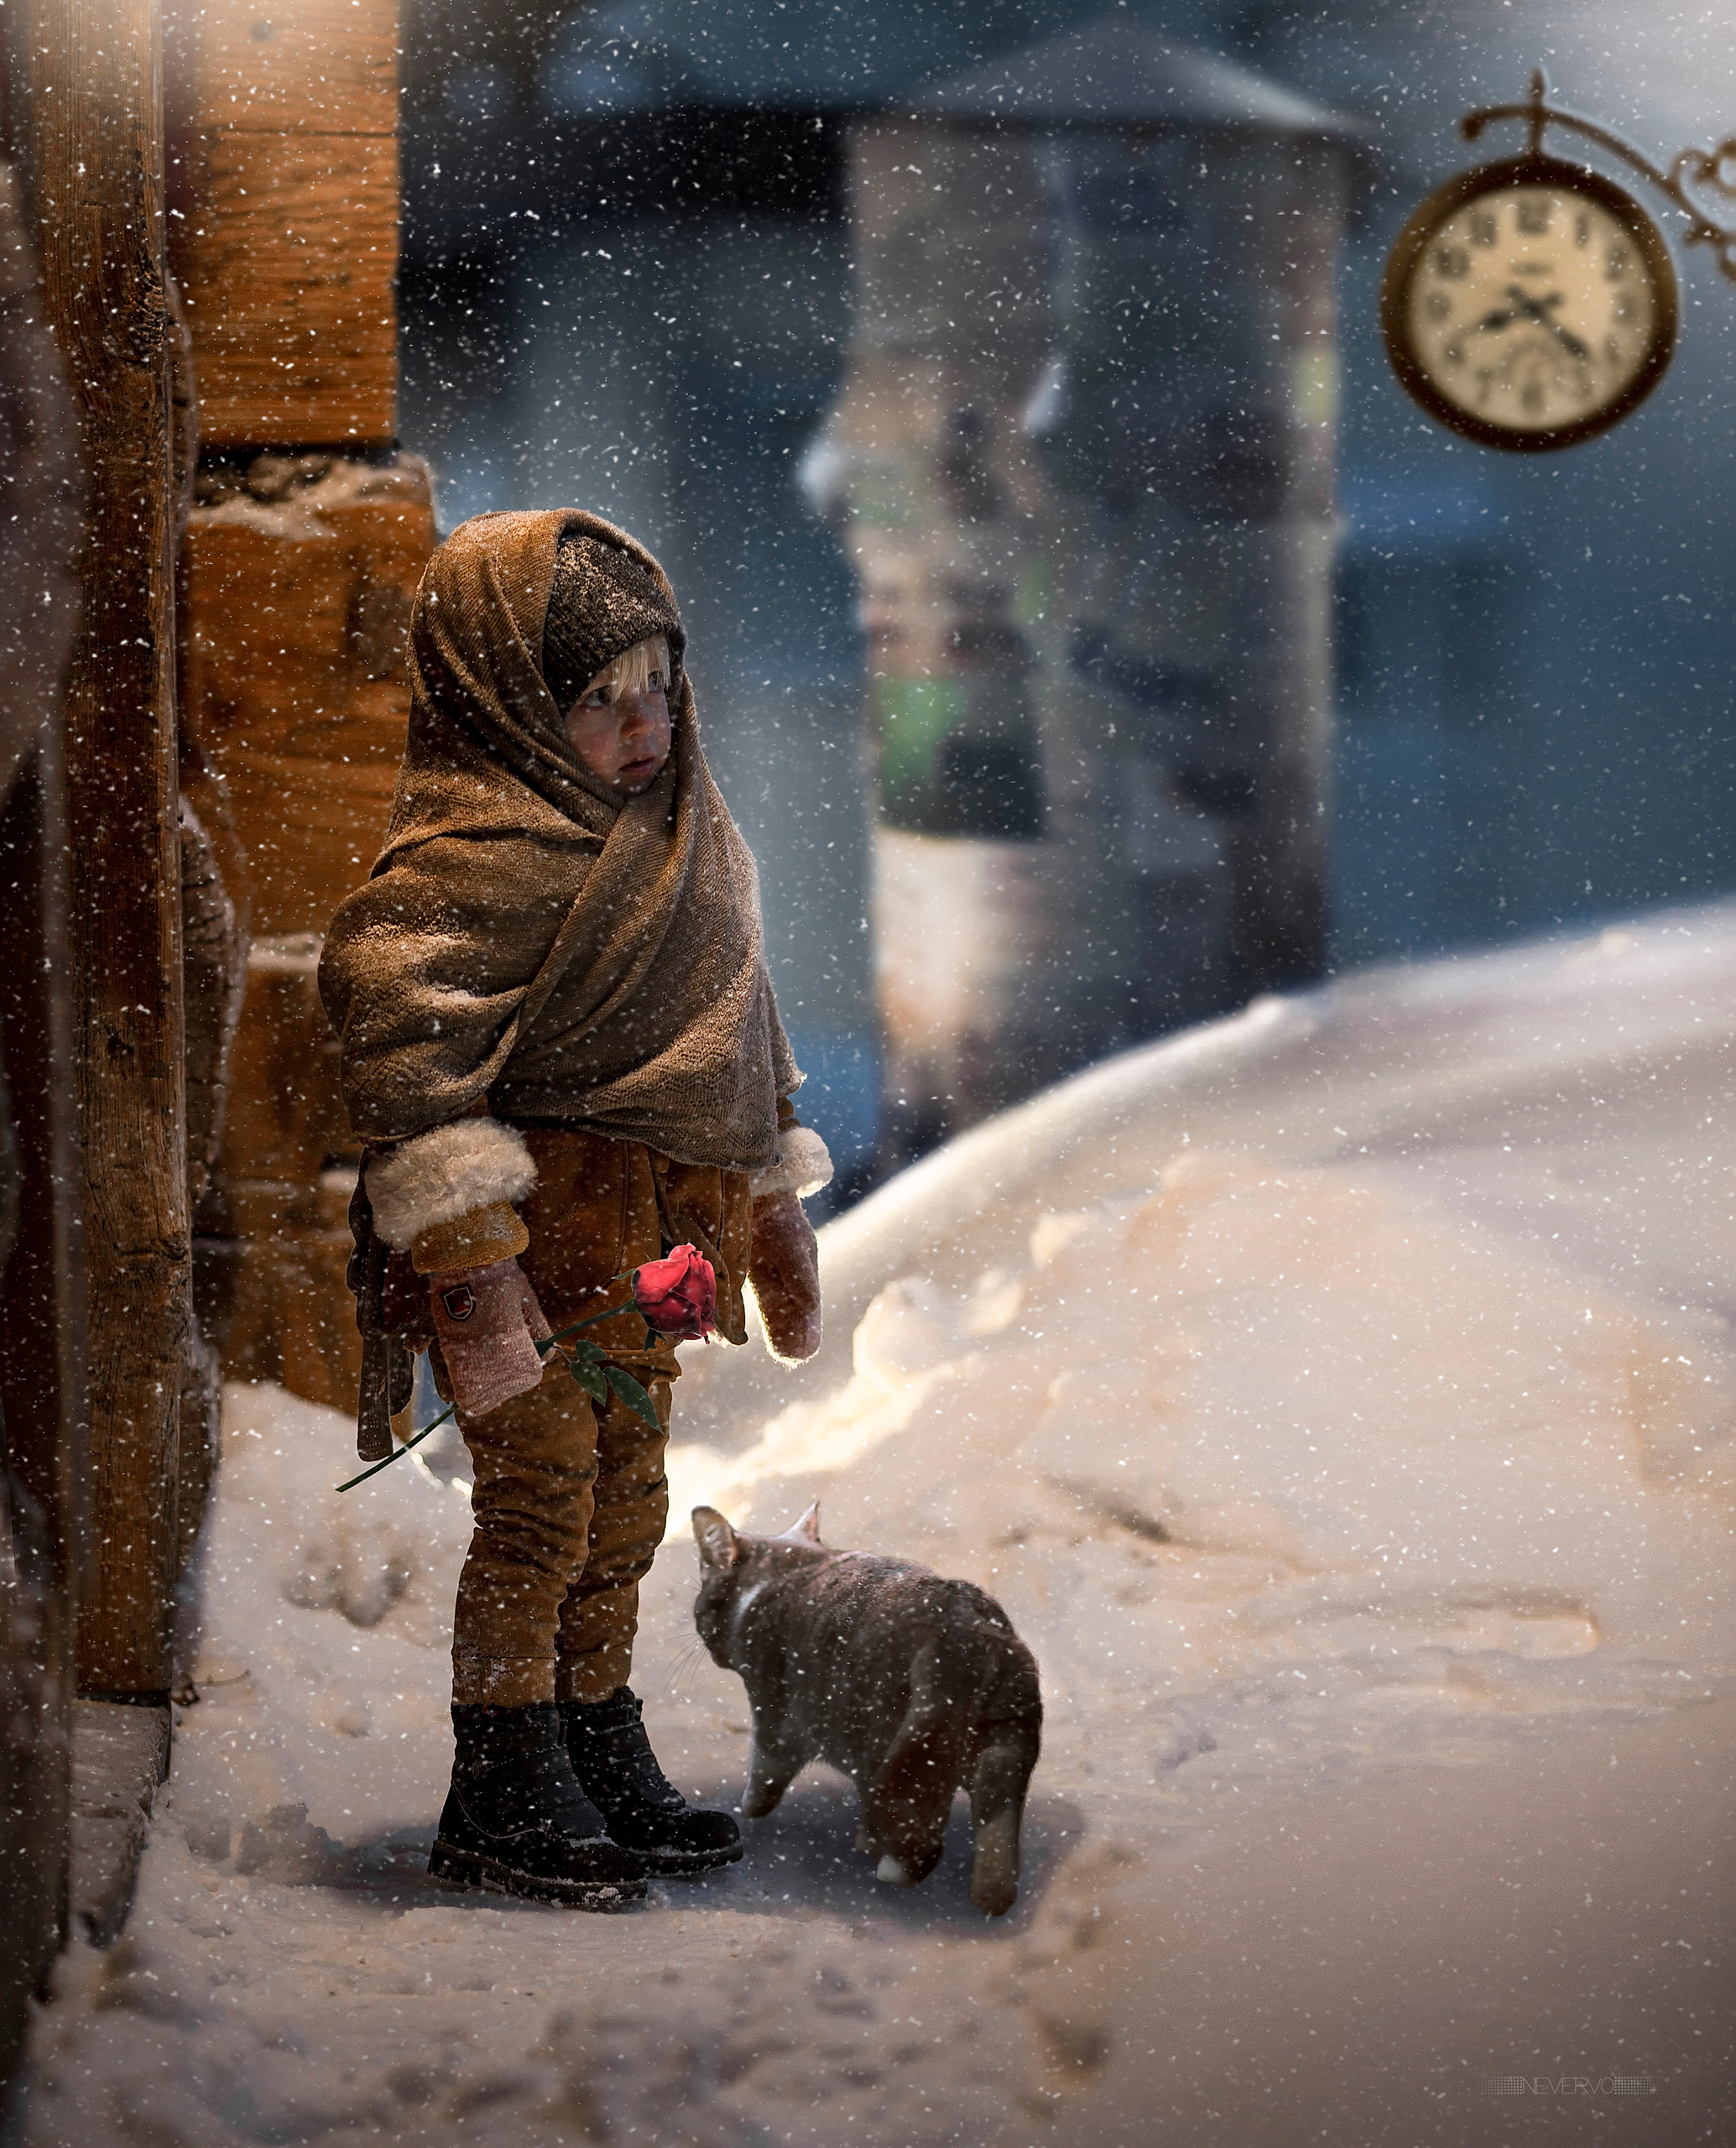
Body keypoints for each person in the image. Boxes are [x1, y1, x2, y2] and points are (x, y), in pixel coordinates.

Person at [320, 509, 831, 1909]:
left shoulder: (690, 845)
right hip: (525, 1265)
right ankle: (501, 1774)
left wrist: (768, 1196)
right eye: (598, 699)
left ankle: (594, 1734)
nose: (644, 725)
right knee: (538, 1506)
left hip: (657, 1256)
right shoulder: (456, 875)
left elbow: (737, 1028)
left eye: (659, 686)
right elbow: (410, 1072)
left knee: (624, 1502)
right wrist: (472, 1273)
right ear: (497, 701)